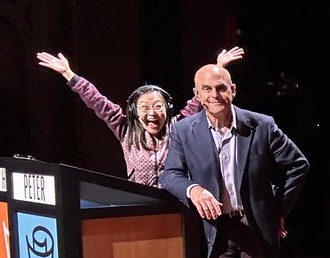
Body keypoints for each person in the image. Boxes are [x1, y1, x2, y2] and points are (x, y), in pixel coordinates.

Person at [160, 63, 309, 258]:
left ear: (233, 90)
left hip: (254, 226)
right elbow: (170, 174)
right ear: (197, 93)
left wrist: (279, 209)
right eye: (207, 89)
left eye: (221, 88)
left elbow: (298, 164)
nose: (214, 94)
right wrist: (193, 190)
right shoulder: (183, 130)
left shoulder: (262, 125)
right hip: (214, 229)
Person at [35, 46, 243, 186]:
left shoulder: (178, 127)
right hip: (140, 203)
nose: (152, 113)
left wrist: (219, 68)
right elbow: (97, 101)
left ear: (167, 109)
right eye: (144, 107)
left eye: (158, 106)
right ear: (134, 111)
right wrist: (69, 75)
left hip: (177, 204)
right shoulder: (125, 128)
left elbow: (200, 99)